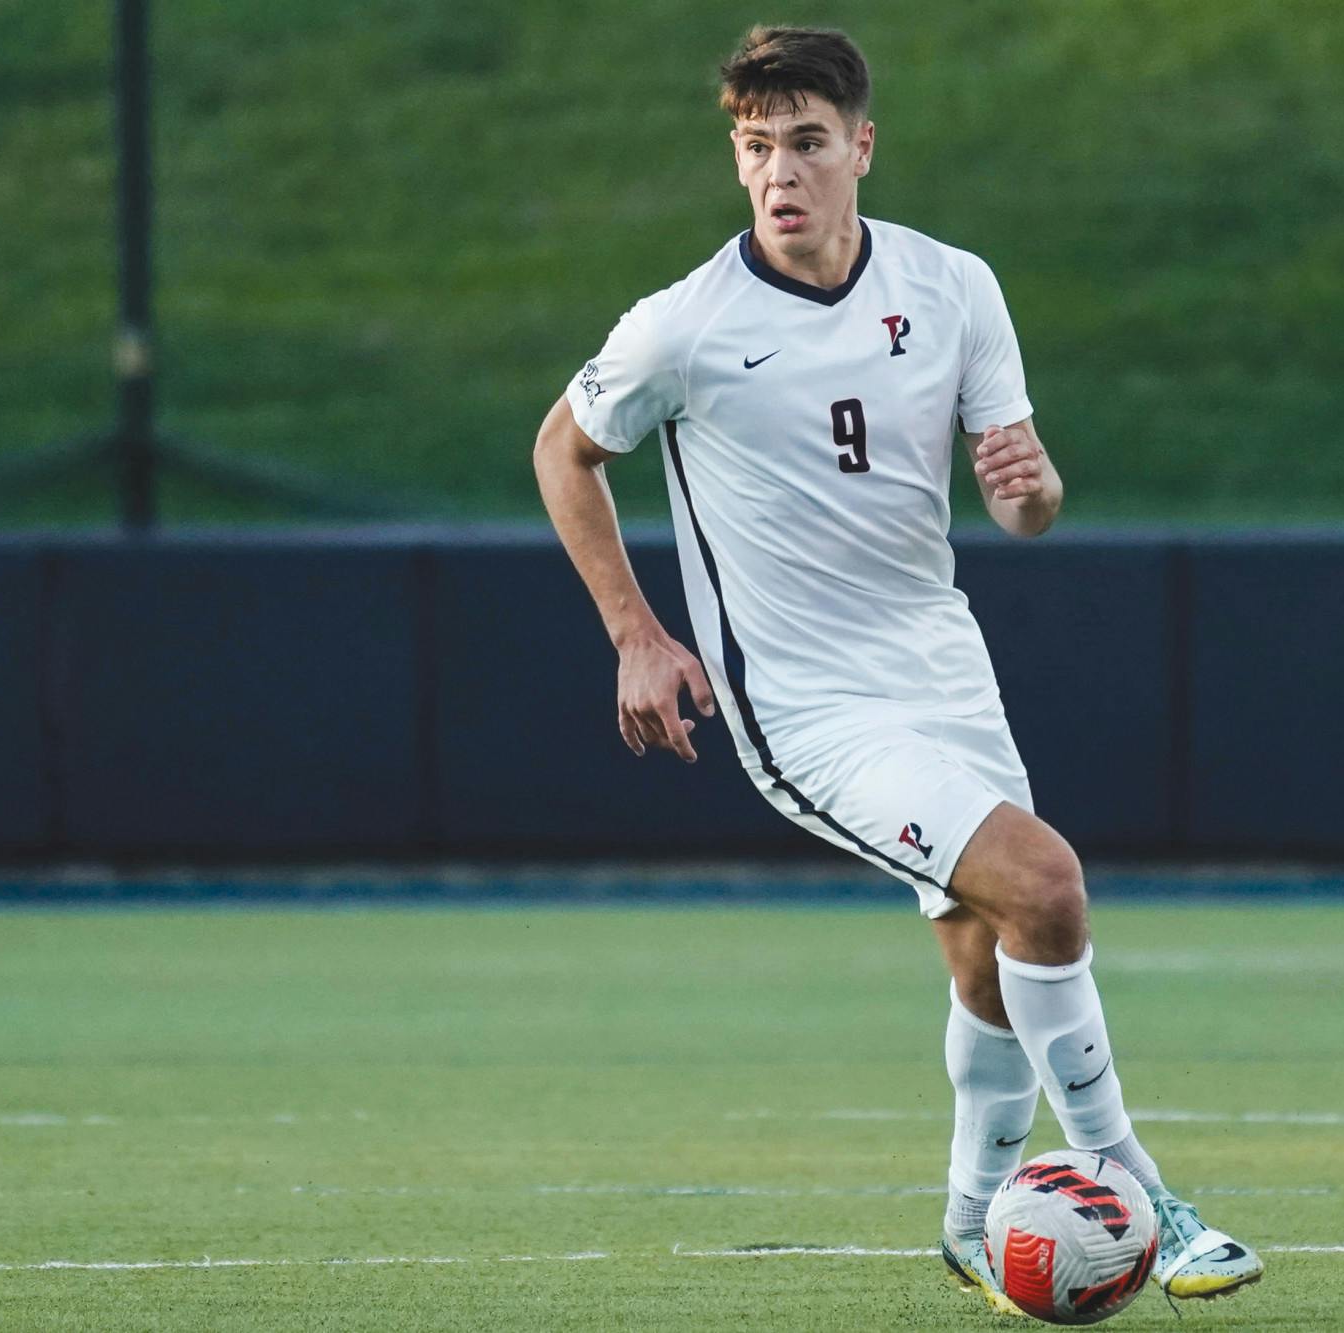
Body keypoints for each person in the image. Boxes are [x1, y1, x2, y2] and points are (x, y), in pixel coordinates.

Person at [532, 24, 1262, 1310]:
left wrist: (1032, 495)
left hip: (943, 670)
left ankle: (975, 1220)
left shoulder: (952, 287)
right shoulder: (684, 327)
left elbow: (1020, 504)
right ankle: (1138, 1190)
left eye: (805, 143)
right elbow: (562, 448)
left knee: (989, 958)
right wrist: (636, 637)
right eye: (755, 148)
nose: (778, 174)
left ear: (861, 148)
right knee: (1043, 885)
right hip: (805, 709)